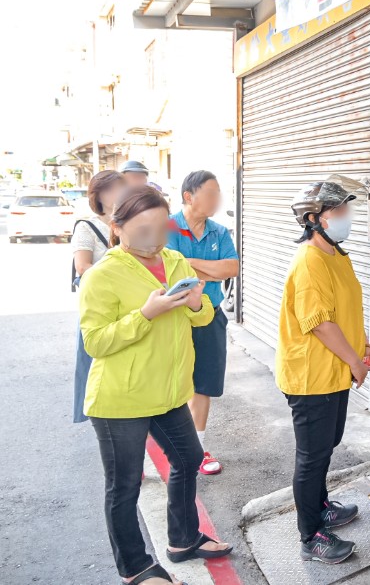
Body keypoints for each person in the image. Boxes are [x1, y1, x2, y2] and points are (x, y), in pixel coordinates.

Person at [79, 186, 231, 585]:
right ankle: (136, 568)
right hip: (120, 400)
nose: (153, 235)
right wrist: (145, 314)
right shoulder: (102, 275)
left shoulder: (176, 259)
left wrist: (197, 304)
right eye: (141, 227)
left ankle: (183, 539)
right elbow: (95, 341)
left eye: (159, 226)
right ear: (117, 227)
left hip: (168, 393)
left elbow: (199, 319)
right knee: (124, 486)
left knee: (187, 459)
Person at [277, 174, 370, 564]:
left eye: (345, 209)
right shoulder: (310, 261)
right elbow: (320, 322)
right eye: (338, 210)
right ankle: (310, 536)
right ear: (314, 219)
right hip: (310, 376)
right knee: (312, 456)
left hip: (334, 372)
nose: (346, 216)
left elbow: (346, 310)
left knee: (326, 446)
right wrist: (354, 361)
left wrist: (363, 346)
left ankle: (321, 509)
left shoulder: (337, 256)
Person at [166, 171, 240, 475]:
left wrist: (189, 265)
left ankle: (197, 449)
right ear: (188, 196)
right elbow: (167, 272)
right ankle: (171, 445)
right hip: (173, 315)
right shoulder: (167, 227)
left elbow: (232, 268)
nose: (216, 200)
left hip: (210, 315)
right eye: (210, 193)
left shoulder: (220, 232)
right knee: (171, 381)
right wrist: (209, 271)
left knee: (203, 384)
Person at [71, 169, 126, 423]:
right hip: (101, 305)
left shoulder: (130, 221)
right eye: (110, 189)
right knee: (96, 361)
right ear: (98, 196)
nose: (117, 194)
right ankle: (98, 414)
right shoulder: (87, 226)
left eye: (120, 187)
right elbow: (83, 267)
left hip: (128, 305)